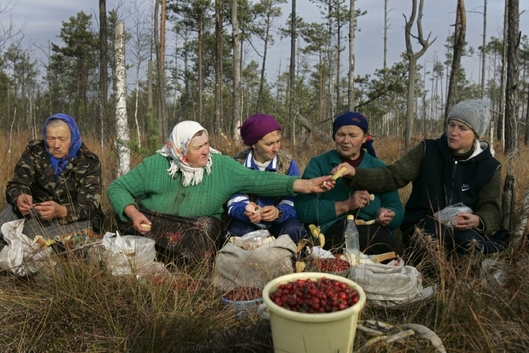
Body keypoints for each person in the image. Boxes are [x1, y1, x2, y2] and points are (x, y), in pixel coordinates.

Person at [106, 120, 334, 260]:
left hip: (193, 232)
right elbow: (118, 188)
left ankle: (174, 261)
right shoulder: (155, 165)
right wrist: (134, 213)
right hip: (156, 224)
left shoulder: (222, 166)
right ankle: (149, 255)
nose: (206, 151)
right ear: (179, 149)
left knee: (206, 230)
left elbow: (260, 180)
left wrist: (305, 185)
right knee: (126, 222)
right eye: (198, 147)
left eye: (207, 143)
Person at [334, 99, 509, 255]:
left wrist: (478, 220)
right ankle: (426, 276)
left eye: (462, 128)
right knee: (435, 237)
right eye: (451, 125)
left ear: (476, 134)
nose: (454, 132)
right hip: (422, 224)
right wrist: (355, 173)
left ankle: (460, 283)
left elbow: (491, 208)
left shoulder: (489, 166)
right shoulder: (428, 151)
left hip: (464, 229)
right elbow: (393, 175)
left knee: (469, 242)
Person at [295, 111, 404, 255]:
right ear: (334, 135)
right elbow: (304, 209)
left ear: (365, 138)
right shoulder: (319, 164)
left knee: (379, 243)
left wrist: (388, 215)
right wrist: (346, 205)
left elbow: (396, 211)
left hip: (374, 231)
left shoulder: (379, 167)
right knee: (338, 246)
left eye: (353, 135)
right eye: (341, 134)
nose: (346, 140)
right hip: (333, 229)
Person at [0, 113, 104, 242]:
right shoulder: (35, 150)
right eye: (51, 138)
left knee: (75, 235)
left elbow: (90, 207)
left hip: (71, 218)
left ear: (73, 137)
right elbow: (17, 184)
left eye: (62, 139)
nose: (56, 144)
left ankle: (28, 240)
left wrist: (61, 211)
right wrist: (20, 197)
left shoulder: (89, 161)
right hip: (38, 212)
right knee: (9, 212)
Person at [227, 114, 307, 243]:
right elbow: (234, 202)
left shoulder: (286, 164)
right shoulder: (237, 164)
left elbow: (292, 200)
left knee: (295, 230)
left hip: (279, 223)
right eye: (269, 144)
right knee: (237, 233)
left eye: (278, 141)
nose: (276, 148)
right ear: (253, 144)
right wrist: (246, 211)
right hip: (249, 224)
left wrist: (278, 213)